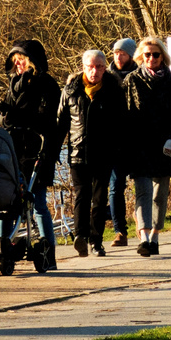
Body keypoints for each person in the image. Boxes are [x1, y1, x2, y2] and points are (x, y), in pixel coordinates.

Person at [50, 49, 126, 261]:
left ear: (104, 67)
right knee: (81, 196)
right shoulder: (71, 90)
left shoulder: (114, 90)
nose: (95, 71)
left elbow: (122, 125)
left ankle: (96, 240)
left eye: (99, 67)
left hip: (104, 154)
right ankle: (81, 236)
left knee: (99, 200)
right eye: (90, 67)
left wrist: (120, 151)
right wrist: (53, 151)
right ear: (83, 67)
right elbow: (60, 124)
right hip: (78, 152)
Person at [0, 39, 60, 260]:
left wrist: (16, 115)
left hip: (37, 149)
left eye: (22, 61)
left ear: (32, 61)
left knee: (39, 202)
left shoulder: (47, 85)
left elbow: (47, 119)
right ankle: (2, 248)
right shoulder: (13, 84)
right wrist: (4, 116)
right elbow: (6, 118)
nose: (19, 65)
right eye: (16, 62)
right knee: (6, 201)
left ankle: (48, 252)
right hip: (12, 148)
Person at [125, 36, 171, 256]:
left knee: (160, 193)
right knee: (142, 190)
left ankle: (156, 235)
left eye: (155, 54)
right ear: (141, 56)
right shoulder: (132, 80)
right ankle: (143, 236)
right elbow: (126, 113)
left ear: (163, 56)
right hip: (139, 144)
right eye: (147, 54)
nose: (151, 58)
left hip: (164, 145)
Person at [108, 37, 138, 247]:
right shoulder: (106, 77)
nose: (118, 57)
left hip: (137, 140)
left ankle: (143, 223)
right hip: (115, 142)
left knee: (143, 186)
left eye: (123, 54)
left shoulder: (141, 75)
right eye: (116, 53)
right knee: (115, 187)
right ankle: (120, 231)